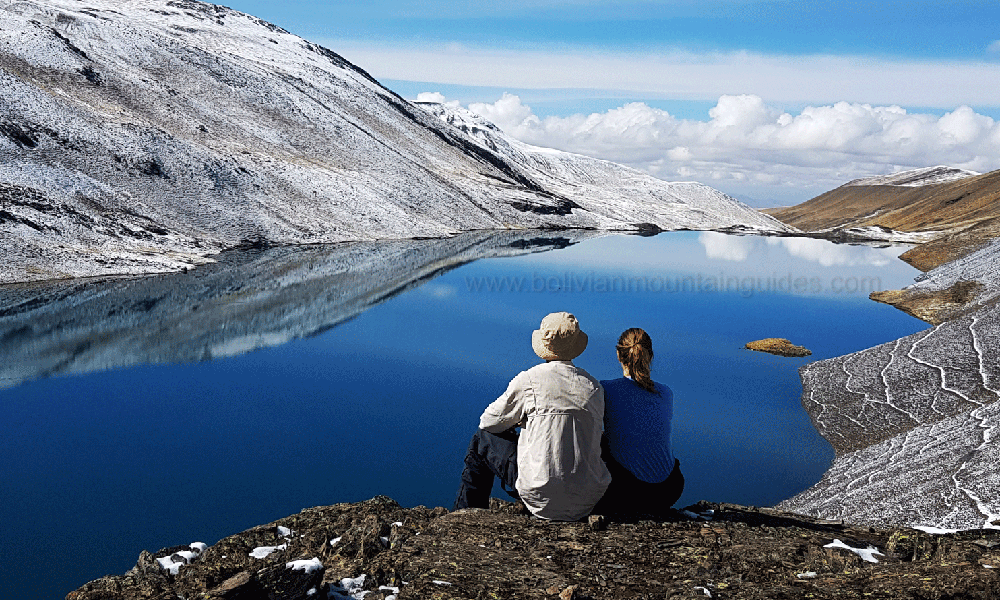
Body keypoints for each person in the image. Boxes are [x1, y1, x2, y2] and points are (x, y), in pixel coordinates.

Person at [452, 312, 611, 521]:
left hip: (538, 495)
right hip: (587, 501)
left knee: (481, 440)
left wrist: (518, 421)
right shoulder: (593, 387)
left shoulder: (530, 380)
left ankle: (465, 517)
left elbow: (488, 422)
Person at [594, 327, 684, 518]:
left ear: (619, 355)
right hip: (669, 489)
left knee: (595, 439)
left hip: (629, 491)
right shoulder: (665, 393)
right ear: (650, 355)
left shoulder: (606, 390)